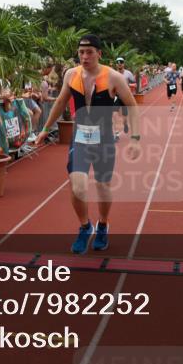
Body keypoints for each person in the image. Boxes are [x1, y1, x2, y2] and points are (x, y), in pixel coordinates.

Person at [34, 35, 140, 254]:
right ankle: (85, 227)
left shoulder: (113, 77)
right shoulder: (71, 74)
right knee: (78, 185)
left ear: (99, 53)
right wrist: (45, 129)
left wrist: (135, 139)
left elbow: (132, 106)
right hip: (80, 136)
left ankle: (103, 225)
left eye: (89, 52)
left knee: (102, 186)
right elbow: (62, 101)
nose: (84, 56)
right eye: (81, 52)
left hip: (104, 138)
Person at [113, 57, 135, 136]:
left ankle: (125, 124)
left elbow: (135, 84)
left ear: (123, 64)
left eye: (121, 63)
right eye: (118, 63)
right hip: (116, 96)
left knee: (124, 118)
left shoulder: (128, 73)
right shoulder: (114, 74)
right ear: (116, 65)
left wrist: (128, 85)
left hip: (125, 97)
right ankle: (116, 133)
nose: (119, 65)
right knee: (114, 113)